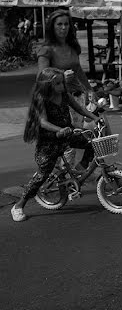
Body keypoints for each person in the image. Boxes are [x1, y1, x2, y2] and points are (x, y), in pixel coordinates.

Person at [10, 68, 101, 222]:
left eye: (62, 83)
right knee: (42, 175)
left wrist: (94, 117)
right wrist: (60, 130)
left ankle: (78, 172)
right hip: (49, 140)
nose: (62, 86)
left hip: (67, 134)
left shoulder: (64, 95)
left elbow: (79, 108)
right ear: (47, 85)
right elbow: (43, 122)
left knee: (92, 144)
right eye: (57, 83)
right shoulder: (42, 98)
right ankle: (19, 205)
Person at [36, 10, 94, 171]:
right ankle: (62, 176)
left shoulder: (72, 47)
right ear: (52, 27)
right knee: (66, 138)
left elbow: (79, 70)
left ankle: (76, 171)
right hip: (56, 100)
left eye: (66, 24)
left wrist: (89, 89)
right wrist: (61, 75)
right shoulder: (46, 50)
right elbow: (42, 78)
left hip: (76, 97)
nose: (63, 28)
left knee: (79, 135)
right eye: (59, 24)